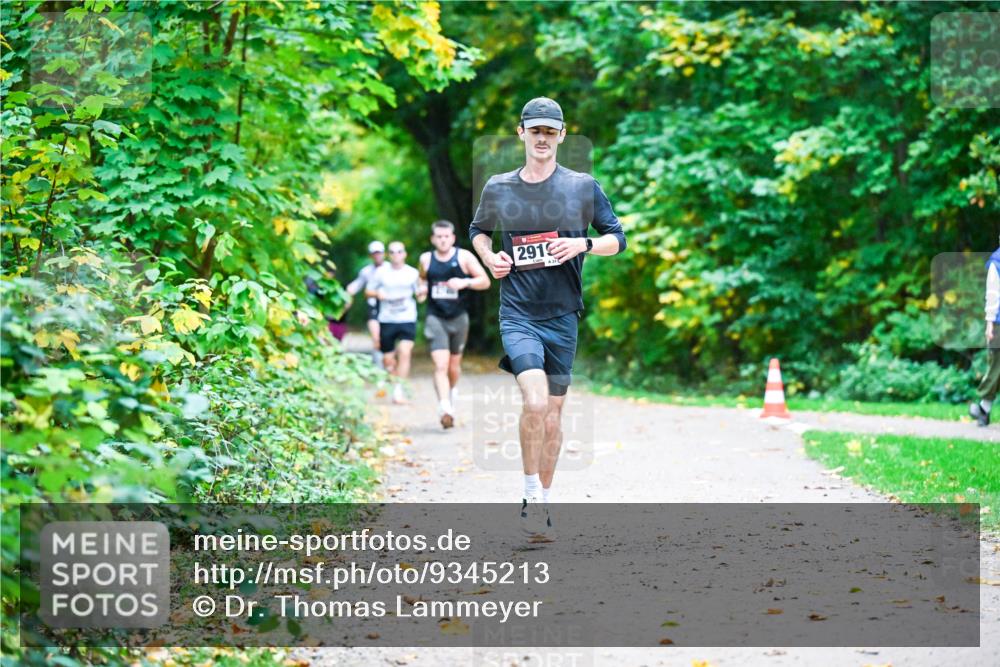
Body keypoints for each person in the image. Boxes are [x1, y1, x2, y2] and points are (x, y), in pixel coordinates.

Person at [469, 97, 627, 535]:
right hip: (518, 312)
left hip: (563, 316)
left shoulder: (581, 187)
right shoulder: (499, 188)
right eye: (534, 130)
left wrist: (584, 245)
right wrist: (489, 258)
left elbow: (618, 237)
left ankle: (543, 501)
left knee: (554, 413)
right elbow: (478, 231)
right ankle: (528, 493)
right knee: (535, 401)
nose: (542, 138)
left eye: (549, 131)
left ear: (561, 135)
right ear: (521, 133)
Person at [418, 220, 490, 429]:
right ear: (433, 239)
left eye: (446, 236)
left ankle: (450, 393)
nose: (442, 240)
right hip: (435, 317)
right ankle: (445, 408)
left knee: (453, 366)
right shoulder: (426, 259)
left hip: (458, 317)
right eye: (438, 237)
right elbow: (421, 281)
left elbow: (485, 281)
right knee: (440, 365)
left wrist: (465, 282)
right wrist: (421, 291)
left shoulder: (464, 257)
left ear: (453, 238)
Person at [367, 241, 426, 404]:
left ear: (404, 254)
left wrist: (422, 295)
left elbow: (420, 294)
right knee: (388, 360)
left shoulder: (412, 273)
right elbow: (367, 292)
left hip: (407, 319)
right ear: (388, 255)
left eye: (399, 252)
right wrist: (377, 293)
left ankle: (398, 391)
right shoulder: (381, 273)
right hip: (387, 320)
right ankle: (392, 376)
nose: (396, 255)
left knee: (405, 352)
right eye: (392, 252)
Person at [970, 236, 1000, 427]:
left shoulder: (997, 262)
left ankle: (983, 409)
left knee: (996, 365)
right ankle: (984, 408)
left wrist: (990, 323)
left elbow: (993, 294)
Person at [346, 241, 387, 366]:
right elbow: (355, 286)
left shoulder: (390, 269)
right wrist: (346, 294)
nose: (377, 256)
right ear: (370, 256)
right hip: (373, 307)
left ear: (384, 254)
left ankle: (388, 365)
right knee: (376, 337)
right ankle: (379, 367)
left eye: (379, 253)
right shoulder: (366, 271)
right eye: (374, 253)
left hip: (389, 308)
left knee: (387, 338)